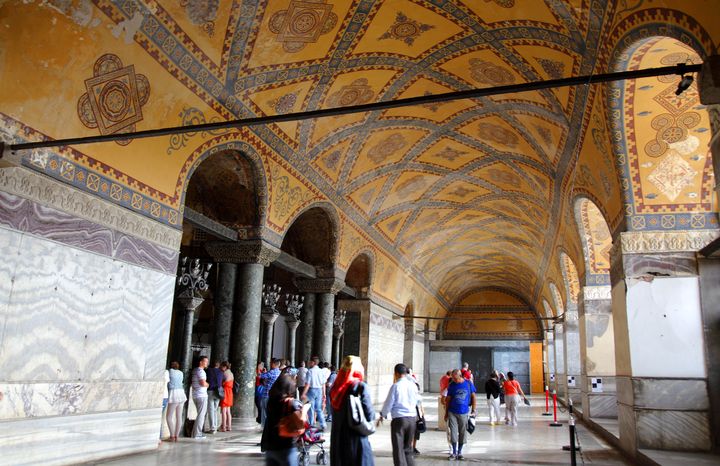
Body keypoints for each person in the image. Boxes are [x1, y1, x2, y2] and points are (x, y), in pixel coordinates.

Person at [329, 355, 375, 466]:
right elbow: (369, 416)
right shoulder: (360, 387)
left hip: (338, 441)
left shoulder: (335, 389)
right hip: (356, 441)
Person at [261, 374, 311, 466]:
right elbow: (301, 421)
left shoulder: (270, 401)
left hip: (271, 446)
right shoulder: (292, 403)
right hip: (286, 447)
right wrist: (305, 408)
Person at [379, 363, 418, 466]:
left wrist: (382, 415)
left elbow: (389, 403)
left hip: (399, 420)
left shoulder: (396, 386)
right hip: (412, 419)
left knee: (398, 450)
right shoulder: (413, 386)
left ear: (396, 373)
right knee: (408, 449)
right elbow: (418, 400)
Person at [445, 369, 476, 460]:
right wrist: (446, 413)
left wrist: (474, 410)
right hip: (452, 412)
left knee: (463, 432)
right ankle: (454, 452)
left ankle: (460, 452)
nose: (454, 380)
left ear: (460, 376)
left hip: (464, 412)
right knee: (453, 432)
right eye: (453, 378)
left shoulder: (468, 383)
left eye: (455, 378)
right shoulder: (451, 385)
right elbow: (448, 400)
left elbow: (473, 397)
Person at [302, 356, 328, 431]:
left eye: (310, 362)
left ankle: (311, 424)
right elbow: (323, 384)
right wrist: (324, 393)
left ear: (313, 362)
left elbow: (308, 384)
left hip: (312, 390)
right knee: (319, 408)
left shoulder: (310, 371)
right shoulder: (321, 371)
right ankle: (323, 424)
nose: (309, 363)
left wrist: (303, 393)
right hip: (319, 390)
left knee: (311, 408)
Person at [166, 361, 186, 442]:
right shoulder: (181, 373)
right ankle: (177, 436)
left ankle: (172, 435)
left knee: (169, 416)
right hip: (181, 393)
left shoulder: (169, 371)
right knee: (179, 416)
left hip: (174, 393)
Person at [259, 358, 282, 427]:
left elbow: (260, 376)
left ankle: (264, 427)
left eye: (271, 363)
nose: (270, 364)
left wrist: (258, 368)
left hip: (266, 394)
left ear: (274, 364)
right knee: (271, 412)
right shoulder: (280, 372)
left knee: (264, 411)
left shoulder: (272, 372)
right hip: (274, 395)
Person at [191, 356, 210, 439]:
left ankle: (195, 433)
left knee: (200, 414)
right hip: (201, 395)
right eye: (205, 361)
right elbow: (202, 383)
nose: (207, 363)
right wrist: (208, 384)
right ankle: (197, 434)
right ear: (200, 362)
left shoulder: (195, 370)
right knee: (201, 415)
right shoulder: (201, 371)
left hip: (196, 394)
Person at [206, 360, 224, 434]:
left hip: (210, 391)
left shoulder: (208, 371)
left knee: (210, 410)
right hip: (218, 393)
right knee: (215, 410)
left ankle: (212, 428)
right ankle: (216, 426)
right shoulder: (221, 372)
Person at [220, 361, 234, 432]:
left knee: (223, 410)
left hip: (225, 391)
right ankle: (229, 426)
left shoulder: (225, 373)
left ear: (225, 366)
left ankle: (224, 427)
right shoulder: (231, 373)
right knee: (228, 411)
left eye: (222, 366)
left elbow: (222, 383)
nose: (221, 368)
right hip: (230, 392)